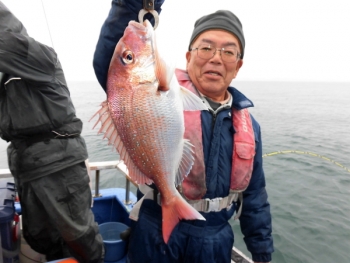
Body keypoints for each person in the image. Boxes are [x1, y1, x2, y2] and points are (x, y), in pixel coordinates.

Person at [93, 1, 274, 262]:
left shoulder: (248, 126)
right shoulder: (162, 91)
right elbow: (113, 65)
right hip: (155, 229)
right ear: (188, 57)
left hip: (216, 239)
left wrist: (262, 253)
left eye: (228, 52)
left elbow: (255, 196)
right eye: (206, 48)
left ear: (238, 66)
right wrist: (133, 5)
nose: (215, 57)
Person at [0, 2, 104, 262]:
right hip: (26, 166)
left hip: (59, 166)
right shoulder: (5, 80)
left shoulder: (41, 57)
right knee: (39, 235)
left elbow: (7, 44)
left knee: (79, 237)